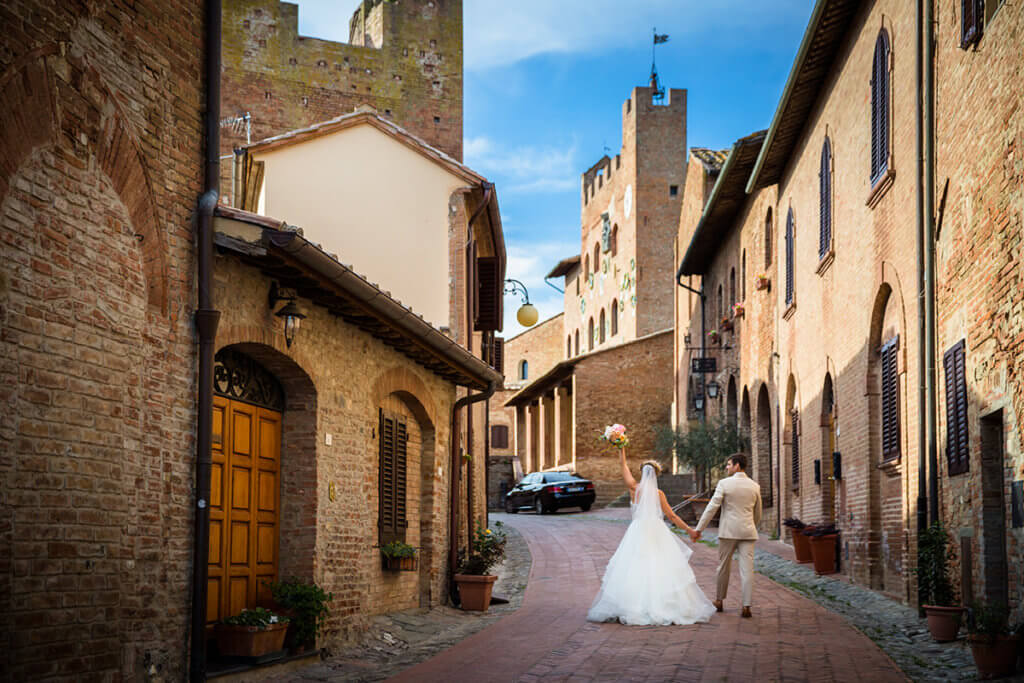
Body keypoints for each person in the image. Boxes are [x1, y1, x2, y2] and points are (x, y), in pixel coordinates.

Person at [586, 446, 716, 625]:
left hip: (637, 532)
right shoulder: (659, 494)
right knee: (660, 565)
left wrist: (621, 447)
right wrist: (690, 531)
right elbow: (672, 516)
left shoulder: (634, 489)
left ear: (642, 472)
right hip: (657, 532)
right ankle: (663, 605)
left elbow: (622, 465)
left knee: (634, 567)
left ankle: (631, 606)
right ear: (657, 475)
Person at [691, 452, 762, 618]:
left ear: (737, 465)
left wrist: (699, 528)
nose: (727, 467)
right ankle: (746, 605)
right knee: (748, 570)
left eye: (729, 464)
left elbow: (712, 507)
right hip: (748, 532)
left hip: (728, 532)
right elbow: (757, 513)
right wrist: (752, 525)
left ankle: (719, 600)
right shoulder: (754, 486)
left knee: (723, 567)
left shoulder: (724, 484)